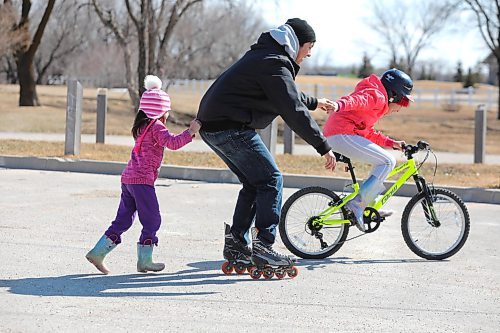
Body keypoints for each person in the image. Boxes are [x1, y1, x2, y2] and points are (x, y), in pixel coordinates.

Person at [196, 18, 337, 274]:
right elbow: (292, 108)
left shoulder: (268, 58)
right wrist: (323, 145)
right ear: (296, 43)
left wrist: (316, 102)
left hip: (214, 127)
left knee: (255, 183)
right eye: (309, 47)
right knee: (271, 179)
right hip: (230, 127)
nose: (309, 54)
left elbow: (286, 94)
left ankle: (238, 244)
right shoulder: (274, 62)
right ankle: (264, 246)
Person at [86, 75, 201, 274]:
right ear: (161, 111)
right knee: (153, 220)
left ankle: (98, 252)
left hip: (128, 179)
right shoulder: (156, 126)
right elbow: (173, 143)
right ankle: (145, 260)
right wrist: (191, 131)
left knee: (123, 220)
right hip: (141, 182)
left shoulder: (141, 127)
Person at [323, 68, 414, 231]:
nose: (399, 109)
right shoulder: (376, 97)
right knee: (387, 162)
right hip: (341, 133)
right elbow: (356, 100)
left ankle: (366, 205)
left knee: (383, 162)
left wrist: (392, 143)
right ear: (393, 95)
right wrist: (338, 105)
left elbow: (368, 132)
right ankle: (357, 205)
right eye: (401, 102)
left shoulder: (377, 103)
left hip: (341, 134)